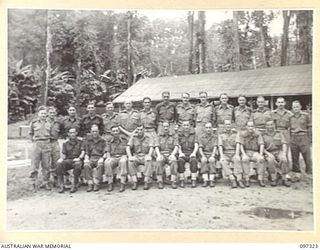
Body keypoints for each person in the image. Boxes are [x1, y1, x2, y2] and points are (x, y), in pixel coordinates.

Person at [29, 106, 52, 190]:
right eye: (42, 113)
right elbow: (31, 133)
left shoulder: (49, 123)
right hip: (37, 144)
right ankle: (33, 182)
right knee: (34, 165)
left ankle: (45, 182)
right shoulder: (34, 122)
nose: (43, 115)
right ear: (38, 114)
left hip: (46, 143)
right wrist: (33, 142)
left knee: (46, 165)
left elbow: (52, 133)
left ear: (47, 114)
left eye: (45, 113)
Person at [237, 121, 266, 187]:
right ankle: (247, 179)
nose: (250, 128)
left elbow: (261, 144)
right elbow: (241, 145)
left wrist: (261, 154)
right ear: (246, 127)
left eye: (252, 126)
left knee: (261, 159)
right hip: (246, 151)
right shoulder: (243, 134)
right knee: (245, 159)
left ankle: (260, 178)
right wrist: (243, 154)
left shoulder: (258, 134)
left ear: (254, 127)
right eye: (249, 126)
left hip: (255, 152)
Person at [262, 120, 291, 187]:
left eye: (271, 125)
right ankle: (273, 178)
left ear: (274, 125)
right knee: (271, 160)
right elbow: (262, 147)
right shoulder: (263, 135)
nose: (270, 127)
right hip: (268, 152)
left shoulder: (279, 133)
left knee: (283, 159)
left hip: (278, 151)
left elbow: (284, 143)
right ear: (266, 126)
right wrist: (268, 154)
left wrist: (284, 153)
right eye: (268, 125)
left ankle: (284, 178)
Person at [56, 128, 85, 193]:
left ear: (76, 133)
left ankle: (74, 185)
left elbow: (83, 152)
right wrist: (61, 159)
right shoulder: (65, 143)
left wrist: (79, 158)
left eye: (74, 133)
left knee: (77, 164)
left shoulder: (81, 142)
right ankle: (61, 186)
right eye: (71, 133)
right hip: (69, 160)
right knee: (59, 164)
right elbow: (64, 154)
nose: (72, 134)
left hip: (78, 160)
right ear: (68, 134)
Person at [289, 100, 312, 181]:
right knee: (294, 156)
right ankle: (296, 174)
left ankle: (309, 173)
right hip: (294, 137)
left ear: (300, 107)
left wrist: (309, 139)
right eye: (294, 107)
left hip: (303, 137)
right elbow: (289, 129)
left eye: (297, 106)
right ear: (292, 108)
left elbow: (309, 127)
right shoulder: (290, 117)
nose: (296, 108)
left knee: (307, 156)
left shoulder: (306, 115)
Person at [126, 125, 154, 190]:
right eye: (138, 130)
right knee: (130, 161)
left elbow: (151, 147)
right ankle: (134, 181)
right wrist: (130, 156)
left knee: (148, 161)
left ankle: (146, 181)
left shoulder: (148, 137)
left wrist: (149, 155)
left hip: (145, 155)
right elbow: (128, 147)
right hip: (136, 156)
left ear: (144, 130)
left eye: (141, 129)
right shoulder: (133, 137)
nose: (139, 131)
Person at [218, 120, 244, 188]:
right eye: (226, 124)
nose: (228, 126)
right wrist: (221, 156)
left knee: (237, 159)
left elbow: (238, 144)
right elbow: (220, 146)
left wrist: (237, 154)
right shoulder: (221, 135)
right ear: (224, 126)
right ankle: (232, 179)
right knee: (223, 161)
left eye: (229, 124)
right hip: (226, 153)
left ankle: (239, 179)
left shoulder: (236, 134)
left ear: (231, 125)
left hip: (234, 152)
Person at [154, 121, 179, 189]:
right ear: (162, 127)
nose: (165, 128)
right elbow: (156, 147)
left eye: (167, 126)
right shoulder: (158, 136)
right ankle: (160, 181)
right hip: (162, 154)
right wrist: (159, 155)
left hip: (170, 154)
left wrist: (173, 154)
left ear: (169, 127)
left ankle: (173, 181)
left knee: (174, 161)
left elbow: (176, 146)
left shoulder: (174, 135)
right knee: (159, 161)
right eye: (164, 126)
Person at [104, 126, 128, 192]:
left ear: (119, 131)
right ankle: (110, 182)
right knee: (107, 162)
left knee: (123, 161)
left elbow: (128, 149)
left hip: (122, 156)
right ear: (111, 133)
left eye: (116, 131)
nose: (115, 132)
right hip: (113, 157)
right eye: (114, 131)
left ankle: (122, 182)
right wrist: (108, 157)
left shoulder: (124, 139)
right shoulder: (109, 141)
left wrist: (126, 156)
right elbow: (107, 151)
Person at [83, 124, 107, 192]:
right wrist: (86, 159)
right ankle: (90, 183)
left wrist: (102, 158)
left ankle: (97, 183)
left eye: (96, 131)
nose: (94, 133)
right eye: (93, 131)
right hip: (91, 158)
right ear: (90, 132)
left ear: (98, 131)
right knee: (86, 165)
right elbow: (87, 152)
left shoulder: (103, 140)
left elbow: (105, 152)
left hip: (99, 158)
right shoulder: (88, 141)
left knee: (100, 165)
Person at [177, 121, 199, 188]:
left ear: (190, 126)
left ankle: (193, 179)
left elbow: (196, 145)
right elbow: (178, 145)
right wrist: (180, 153)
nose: (186, 127)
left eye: (187, 125)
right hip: (183, 153)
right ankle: (182, 180)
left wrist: (194, 153)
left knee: (193, 161)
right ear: (182, 126)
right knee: (180, 161)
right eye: (184, 125)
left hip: (191, 153)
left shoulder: (194, 135)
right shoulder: (179, 135)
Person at [198, 122, 218, 187]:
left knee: (212, 160)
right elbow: (200, 149)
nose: (208, 129)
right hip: (204, 153)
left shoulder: (215, 137)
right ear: (204, 129)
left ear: (212, 128)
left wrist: (212, 156)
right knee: (203, 160)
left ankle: (211, 180)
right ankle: (205, 180)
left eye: (210, 127)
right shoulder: (201, 137)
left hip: (212, 154)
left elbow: (215, 147)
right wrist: (203, 156)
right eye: (207, 128)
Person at [47, 106, 62, 187]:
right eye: (50, 113)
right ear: (48, 113)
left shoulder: (58, 122)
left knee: (56, 161)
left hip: (55, 142)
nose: (52, 114)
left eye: (54, 113)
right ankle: (46, 181)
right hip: (46, 142)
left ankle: (56, 179)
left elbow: (61, 131)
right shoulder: (44, 122)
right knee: (46, 162)